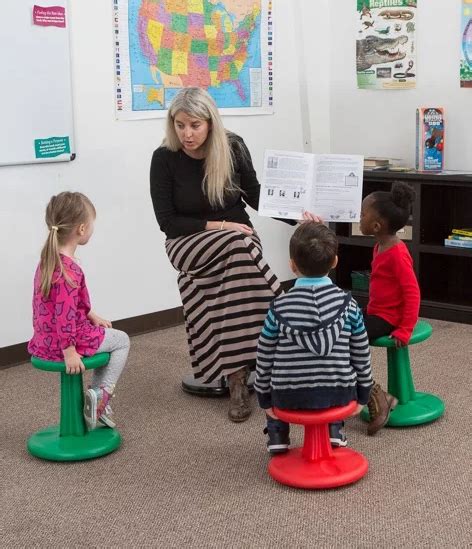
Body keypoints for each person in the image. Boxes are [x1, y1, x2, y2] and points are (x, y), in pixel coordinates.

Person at [150, 87, 319, 422]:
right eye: (180, 125)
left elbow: (256, 195)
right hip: (189, 243)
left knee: (237, 279)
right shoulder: (164, 158)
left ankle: (237, 376)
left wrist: (298, 216)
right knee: (240, 248)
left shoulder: (233, 147)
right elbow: (168, 223)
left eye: (194, 125)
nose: (187, 133)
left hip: (239, 241)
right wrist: (221, 226)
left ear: (210, 123)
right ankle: (303, 337)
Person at [254, 222, 373, 453]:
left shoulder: (278, 308)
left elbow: (264, 356)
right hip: (340, 393)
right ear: (335, 262)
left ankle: (278, 434)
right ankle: (334, 430)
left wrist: (264, 399)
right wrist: (363, 394)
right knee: (335, 369)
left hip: (288, 396)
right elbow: (361, 353)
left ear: (292, 265)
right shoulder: (349, 305)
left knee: (279, 371)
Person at [28, 192, 130, 430]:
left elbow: (58, 305)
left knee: (107, 334)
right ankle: (99, 399)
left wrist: (91, 314)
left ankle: (96, 399)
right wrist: (70, 352)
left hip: (44, 340)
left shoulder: (47, 261)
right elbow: (64, 317)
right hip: (65, 343)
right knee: (122, 341)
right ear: (82, 229)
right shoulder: (69, 272)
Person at [359, 181, 420, 435]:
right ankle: (374, 392)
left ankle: (378, 395)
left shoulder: (397, 253)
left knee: (345, 337)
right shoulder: (380, 245)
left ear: (376, 226)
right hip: (376, 311)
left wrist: (405, 328)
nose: (358, 217)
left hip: (389, 318)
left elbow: (412, 292)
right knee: (341, 322)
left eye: (362, 214)